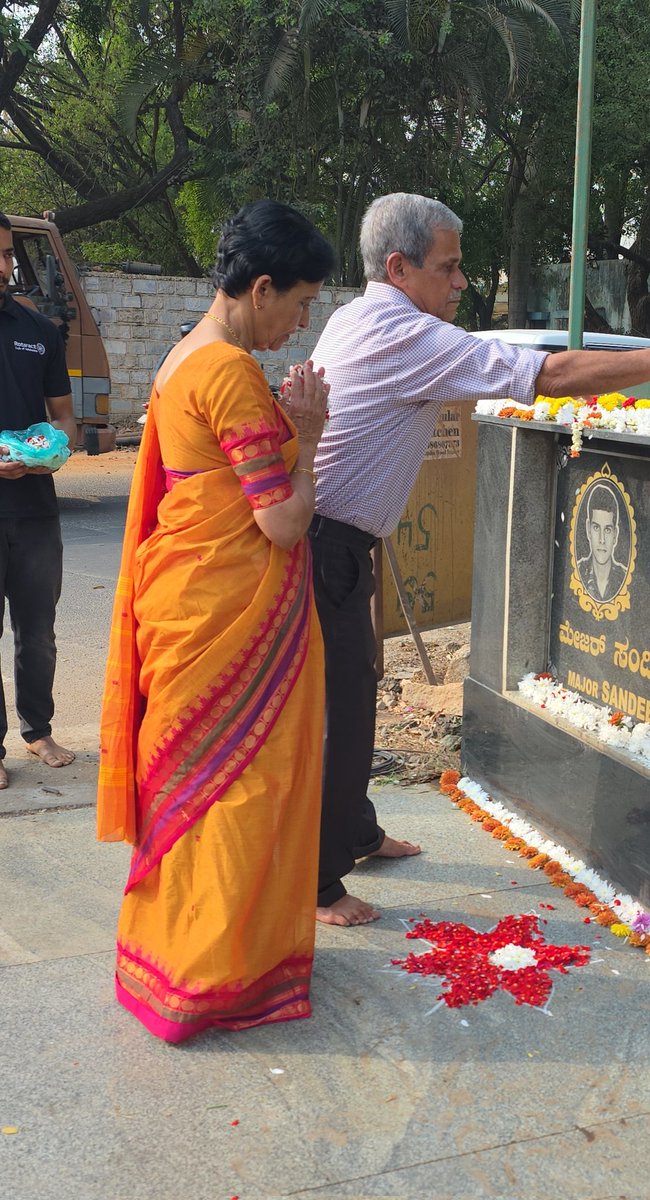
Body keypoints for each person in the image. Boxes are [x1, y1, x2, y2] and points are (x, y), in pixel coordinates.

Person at [309, 192, 650, 927]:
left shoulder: (360, 314)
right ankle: (318, 883)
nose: (462, 284)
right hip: (323, 546)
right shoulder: (401, 333)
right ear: (399, 268)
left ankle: (355, 832)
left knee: (358, 686)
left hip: (343, 542)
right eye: (450, 268)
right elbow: (549, 375)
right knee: (337, 708)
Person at [96, 200, 334, 1042]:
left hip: (190, 608)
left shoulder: (178, 359)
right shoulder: (228, 371)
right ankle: (219, 973)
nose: (302, 324)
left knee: (190, 790)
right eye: (299, 304)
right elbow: (281, 521)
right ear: (260, 287)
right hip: (229, 620)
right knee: (241, 791)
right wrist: (310, 431)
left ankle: (172, 957)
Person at [0, 211, 78, 789]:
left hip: (33, 507)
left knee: (38, 627)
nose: (3, 266)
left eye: (6, 253)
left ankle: (38, 728)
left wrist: (48, 452)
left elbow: (64, 420)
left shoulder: (39, 330)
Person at [577, 483, 627, 601]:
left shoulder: (624, 578)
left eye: (608, 530)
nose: (602, 539)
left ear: (615, 534)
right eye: (596, 528)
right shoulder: (577, 572)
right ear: (588, 529)